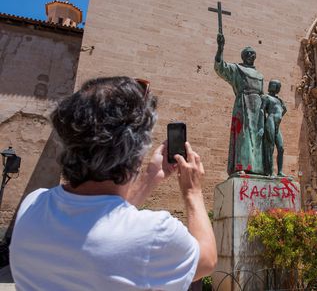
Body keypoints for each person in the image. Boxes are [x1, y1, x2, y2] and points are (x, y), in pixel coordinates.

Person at [9, 77, 217, 291]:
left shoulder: (32, 206)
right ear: (135, 153)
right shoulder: (154, 234)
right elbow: (207, 260)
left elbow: (105, 217)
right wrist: (192, 191)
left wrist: (150, 178)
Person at [214, 33, 264, 176]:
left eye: (253, 54)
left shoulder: (260, 75)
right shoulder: (237, 69)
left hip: (257, 108)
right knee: (243, 135)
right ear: (243, 56)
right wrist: (220, 48)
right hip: (243, 104)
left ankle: (257, 168)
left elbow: (262, 94)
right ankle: (241, 166)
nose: (251, 56)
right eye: (248, 54)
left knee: (257, 136)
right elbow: (220, 67)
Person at [260, 80, 287, 176]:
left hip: (277, 124)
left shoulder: (279, 100)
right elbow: (262, 111)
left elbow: (284, 110)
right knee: (270, 147)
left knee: (281, 148)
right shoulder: (266, 97)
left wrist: (279, 115)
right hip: (270, 121)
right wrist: (262, 127)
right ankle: (270, 171)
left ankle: (280, 171)